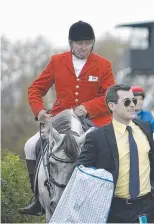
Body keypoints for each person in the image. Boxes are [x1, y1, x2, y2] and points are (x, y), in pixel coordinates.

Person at [20, 20, 115, 215]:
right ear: (71, 43)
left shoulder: (104, 64)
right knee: (30, 146)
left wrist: (87, 108)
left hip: (92, 120)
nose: (84, 47)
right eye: (79, 43)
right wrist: (39, 112)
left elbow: (110, 96)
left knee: (111, 149)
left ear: (93, 43)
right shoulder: (57, 61)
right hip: (60, 119)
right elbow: (35, 89)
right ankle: (38, 198)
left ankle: (113, 197)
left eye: (88, 43)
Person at [77, 84, 154, 222]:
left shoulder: (145, 127)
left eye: (134, 101)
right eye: (127, 101)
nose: (132, 105)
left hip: (145, 207)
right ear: (112, 106)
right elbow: (81, 169)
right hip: (113, 210)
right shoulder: (97, 137)